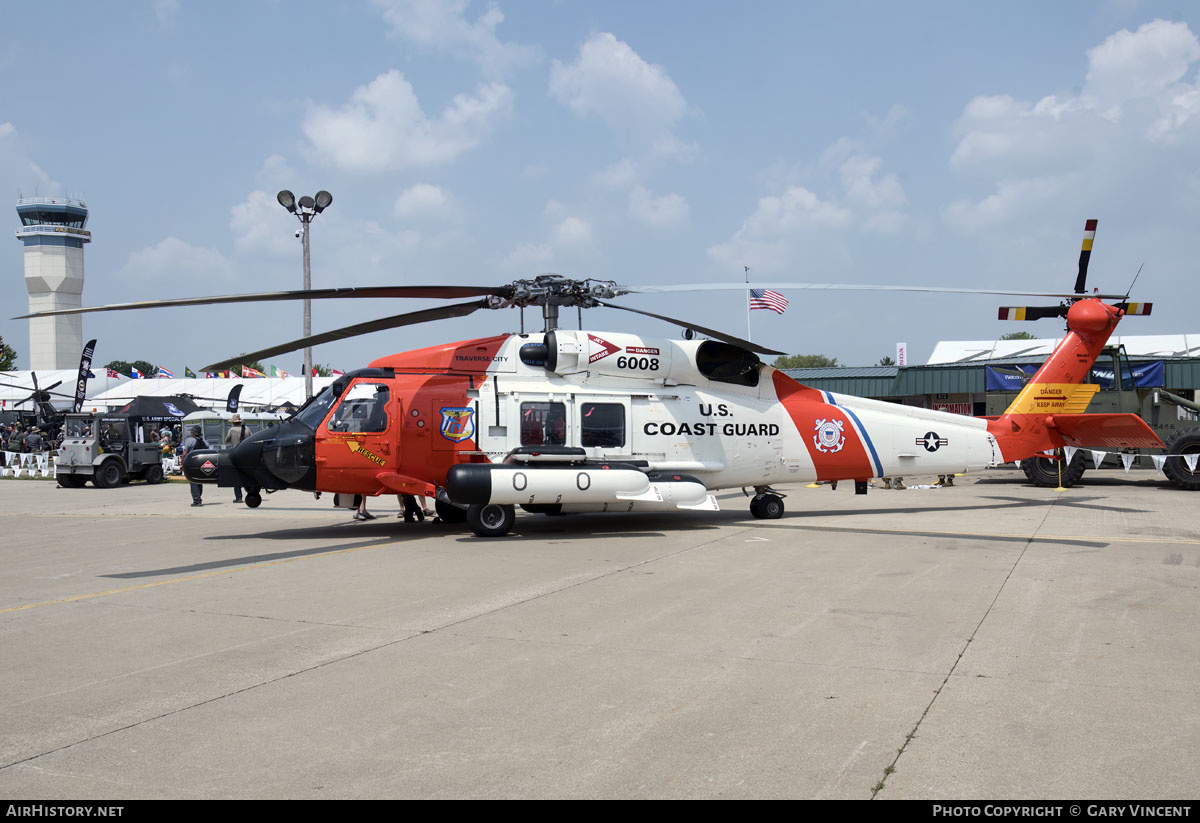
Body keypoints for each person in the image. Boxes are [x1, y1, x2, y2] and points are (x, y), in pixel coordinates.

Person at [224, 414, 250, 503]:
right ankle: (250, 492)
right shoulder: (246, 429)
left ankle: (238, 497)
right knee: (247, 474)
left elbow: (226, 440)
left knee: (236, 476)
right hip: (246, 454)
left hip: (236, 453)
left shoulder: (232, 430)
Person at [182, 425, 207, 507]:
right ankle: (199, 497)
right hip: (201, 463)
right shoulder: (204, 442)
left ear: (193, 433)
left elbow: (185, 453)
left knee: (193, 481)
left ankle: (197, 500)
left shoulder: (189, 441)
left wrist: (182, 462)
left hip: (192, 463)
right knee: (199, 481)